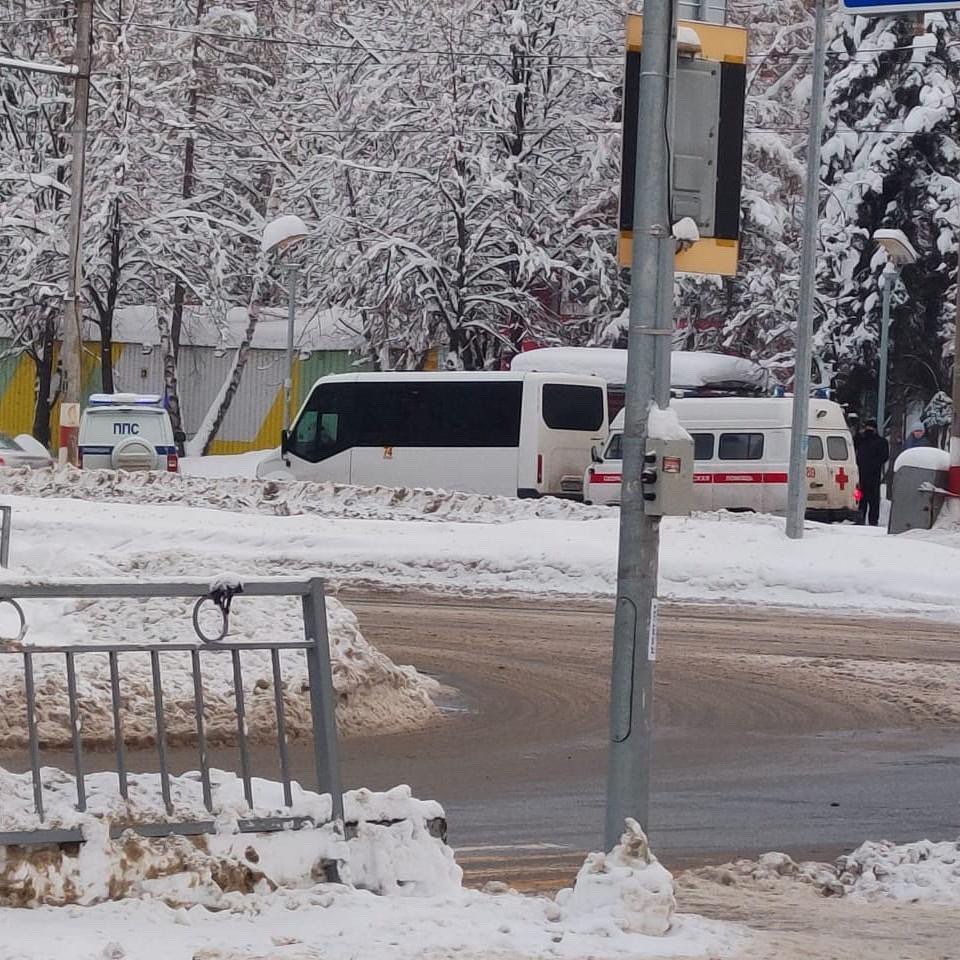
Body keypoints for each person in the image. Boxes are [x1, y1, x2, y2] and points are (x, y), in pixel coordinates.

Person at [855, 418, 888, 527]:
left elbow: (853, 447)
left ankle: (860, 518)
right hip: (874, 476)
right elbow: (884, 457)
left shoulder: (861, 439)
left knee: (861, 498)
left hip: (861, 476)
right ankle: (872, 520)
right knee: (872, 500)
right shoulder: (881, 441)